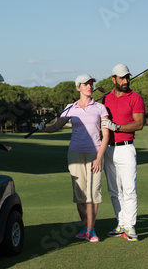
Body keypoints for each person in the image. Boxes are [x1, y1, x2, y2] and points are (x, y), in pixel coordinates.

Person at [38, 74, 110, 242]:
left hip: (95, 154)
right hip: (75, 153)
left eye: (91, 84)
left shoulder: (100, 108)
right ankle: (85, 226)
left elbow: (105, 135)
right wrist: (43, 128)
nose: (90, 87)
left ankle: (91, 230)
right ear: (78, 88)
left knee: (93, 193)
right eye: (86, 84)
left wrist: (99, 157)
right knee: (80, 194)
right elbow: (56, 126)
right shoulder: (70, 108)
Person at [101, 64, 145, 241]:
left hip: (126, 148)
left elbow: (139, 123)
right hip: (108, 149)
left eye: (127, 77)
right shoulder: (105, 99)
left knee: (129, 189)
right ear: (114, 79)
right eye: (121, 78)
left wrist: (116, 127)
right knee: (113, 190)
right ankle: (120, 223)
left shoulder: (135, 98)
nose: (125, 81)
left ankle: (130, 225)